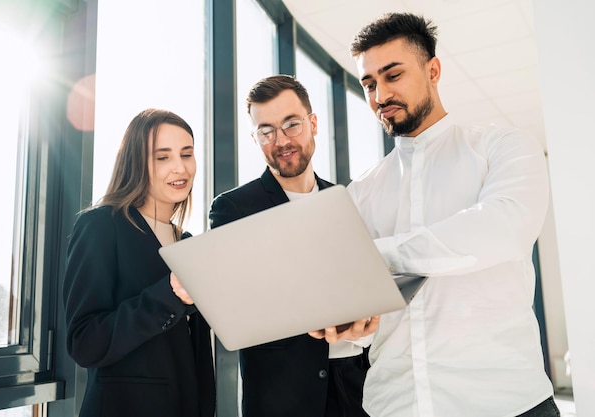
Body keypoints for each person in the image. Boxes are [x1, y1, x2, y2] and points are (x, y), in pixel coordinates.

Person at [319, 12, 558, 417]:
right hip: (395, 405)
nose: (379, 95)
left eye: (393, 75)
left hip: (506, 403)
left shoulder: (502, 147)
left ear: (433, 70)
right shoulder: (358, 194)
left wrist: (377, 255)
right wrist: (348, 329)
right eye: (369, 83)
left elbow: (502, 228)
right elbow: (358, 314)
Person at [208, 74, 377, 417]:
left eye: (291, 125)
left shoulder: (347, 200)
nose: (281, 140)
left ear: (313, 124)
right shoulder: (234, 208)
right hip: (284, 397)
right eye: (266, 131)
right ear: (255, 139)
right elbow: (237, 305)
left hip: (358, 387)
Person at [63, 109, 215, 417]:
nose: (180, 167)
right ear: (136, 163)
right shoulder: (101, 226)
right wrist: (170, 294)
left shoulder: (188, 243)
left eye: (187, 154)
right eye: (163, 157)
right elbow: (85, 342)